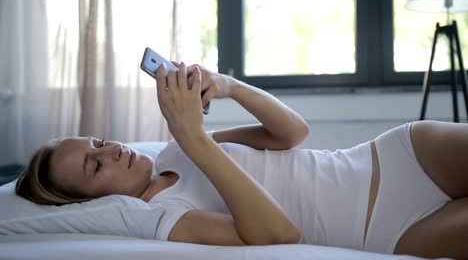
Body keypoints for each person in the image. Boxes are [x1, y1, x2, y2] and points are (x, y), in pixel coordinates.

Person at [15, 61, 468, 259]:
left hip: (398, 155)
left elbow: (293, 134)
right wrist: (195, 138)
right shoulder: (168, 218)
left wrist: (228, 85)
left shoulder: (176, 151)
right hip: (389, 229)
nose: (110, 150)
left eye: (97, 142)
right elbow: (279, 234)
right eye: (95, 166)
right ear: (88, 204)